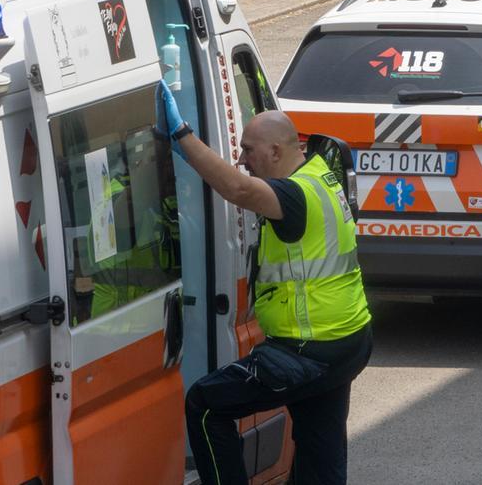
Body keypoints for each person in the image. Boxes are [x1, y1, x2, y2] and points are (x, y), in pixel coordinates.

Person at [159, 84, 372, 485]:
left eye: (248, 150)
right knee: (319, 452)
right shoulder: (320, 176)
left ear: (276, 152)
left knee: (206, 405)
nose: (242, 160)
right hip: (347, 341)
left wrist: (182, 136)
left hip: (307, 350)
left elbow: (237, 189)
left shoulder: (292, 196)